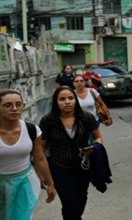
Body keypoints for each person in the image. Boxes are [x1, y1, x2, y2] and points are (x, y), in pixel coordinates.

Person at [0, 89, 56, 218]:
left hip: (25, 183)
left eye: (18, 104)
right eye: (8, 105)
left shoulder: (32, 130)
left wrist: (50, 183)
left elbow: (40, 158)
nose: (15, 109)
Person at [39, 86, 102, 219]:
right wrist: (42, 174)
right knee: (70, 203)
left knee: (80, 200)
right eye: (62, 99)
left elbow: (97, 137)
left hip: (83, 167)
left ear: (75, 100)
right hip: (59, 167)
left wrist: (95, 147)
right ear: (56, 102)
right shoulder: (48, 121)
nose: (67, 102)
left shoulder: (86, 118)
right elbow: (41, 150)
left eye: (70, 98)